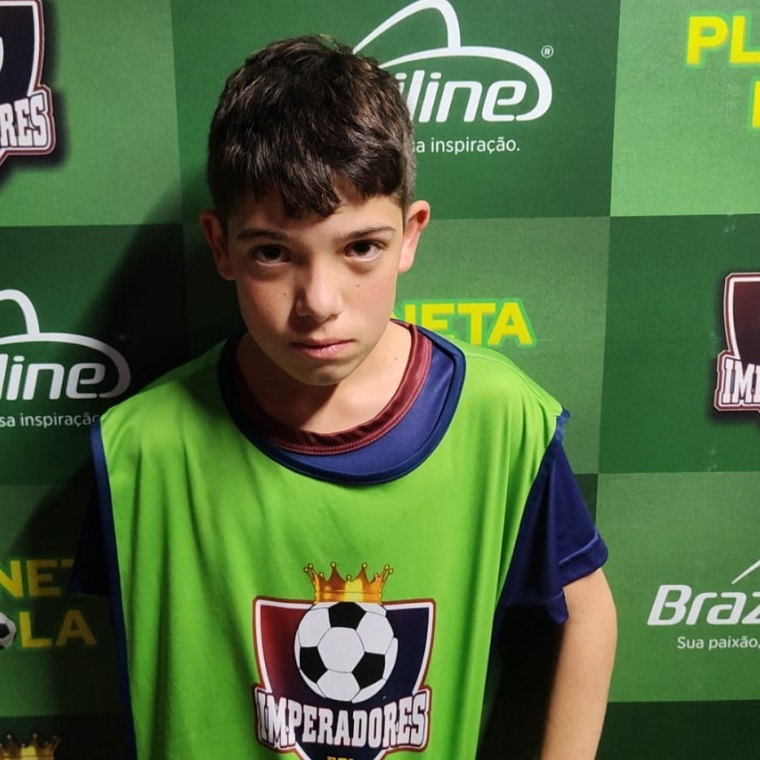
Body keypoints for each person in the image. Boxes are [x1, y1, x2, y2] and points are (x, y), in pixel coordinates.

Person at [74, 35, 616, 760]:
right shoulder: (139, 449)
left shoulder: (501, 419)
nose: (319, 302)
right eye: (273, 252)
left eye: (360, 247)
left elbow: (588, 609)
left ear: (409, 236)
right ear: (221, 246)